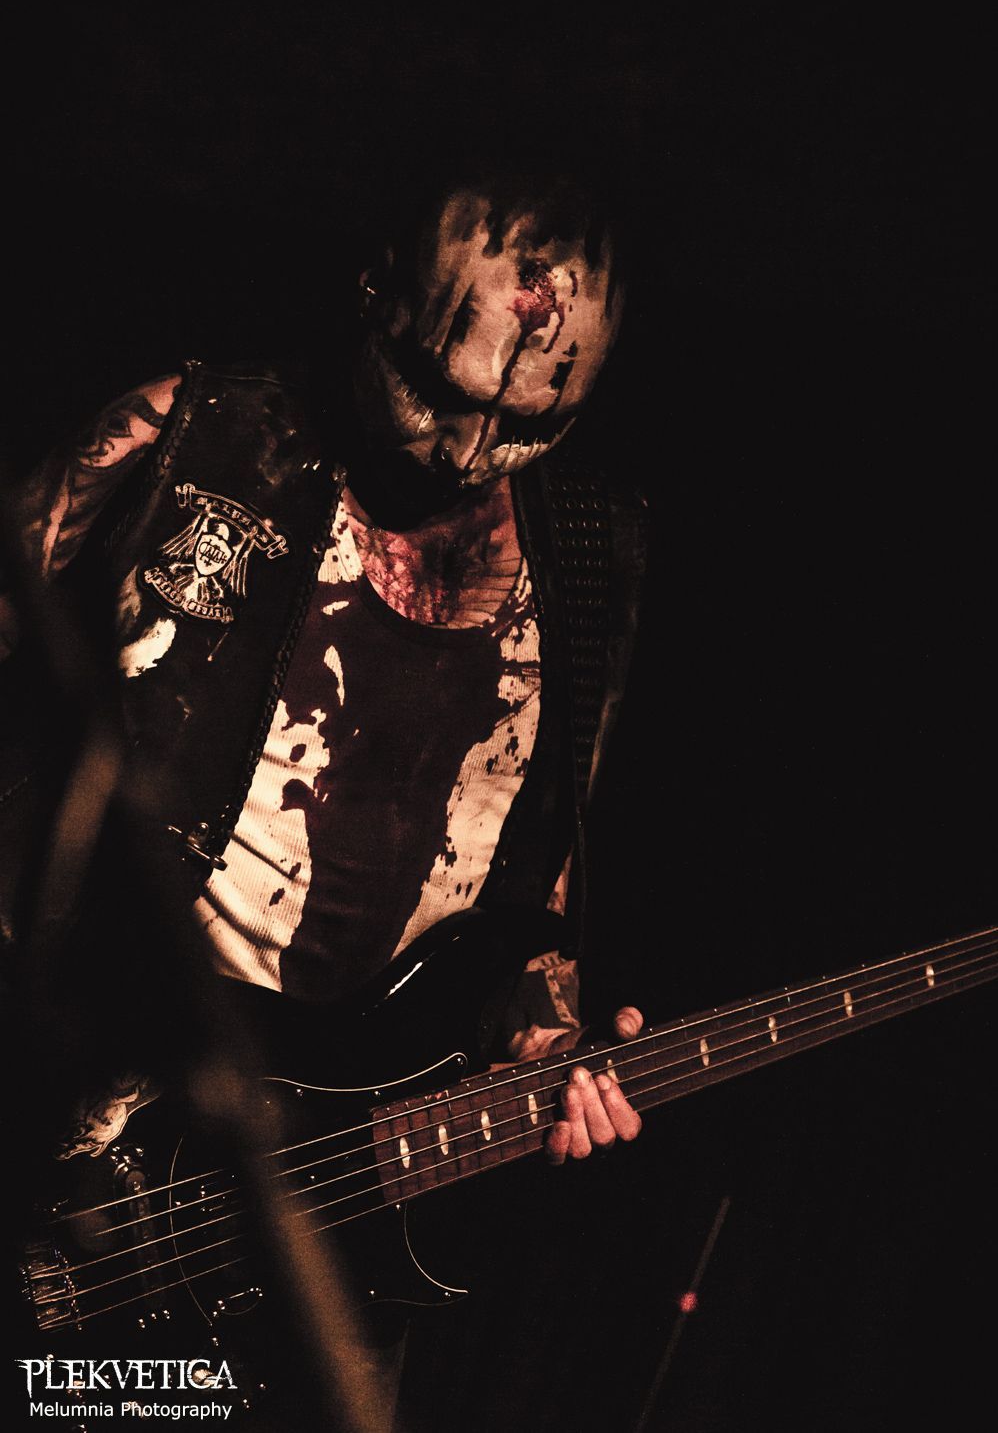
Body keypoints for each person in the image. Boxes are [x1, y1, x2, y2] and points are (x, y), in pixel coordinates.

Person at [2, 164, 650, 1427]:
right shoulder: (193, 436)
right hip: (72, 1127)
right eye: (438, 397)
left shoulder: (593, 557)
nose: (468, 450)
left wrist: (548, 1042)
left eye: (525, 427)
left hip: (305, 1226)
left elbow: (539, 864)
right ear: (376, 298)